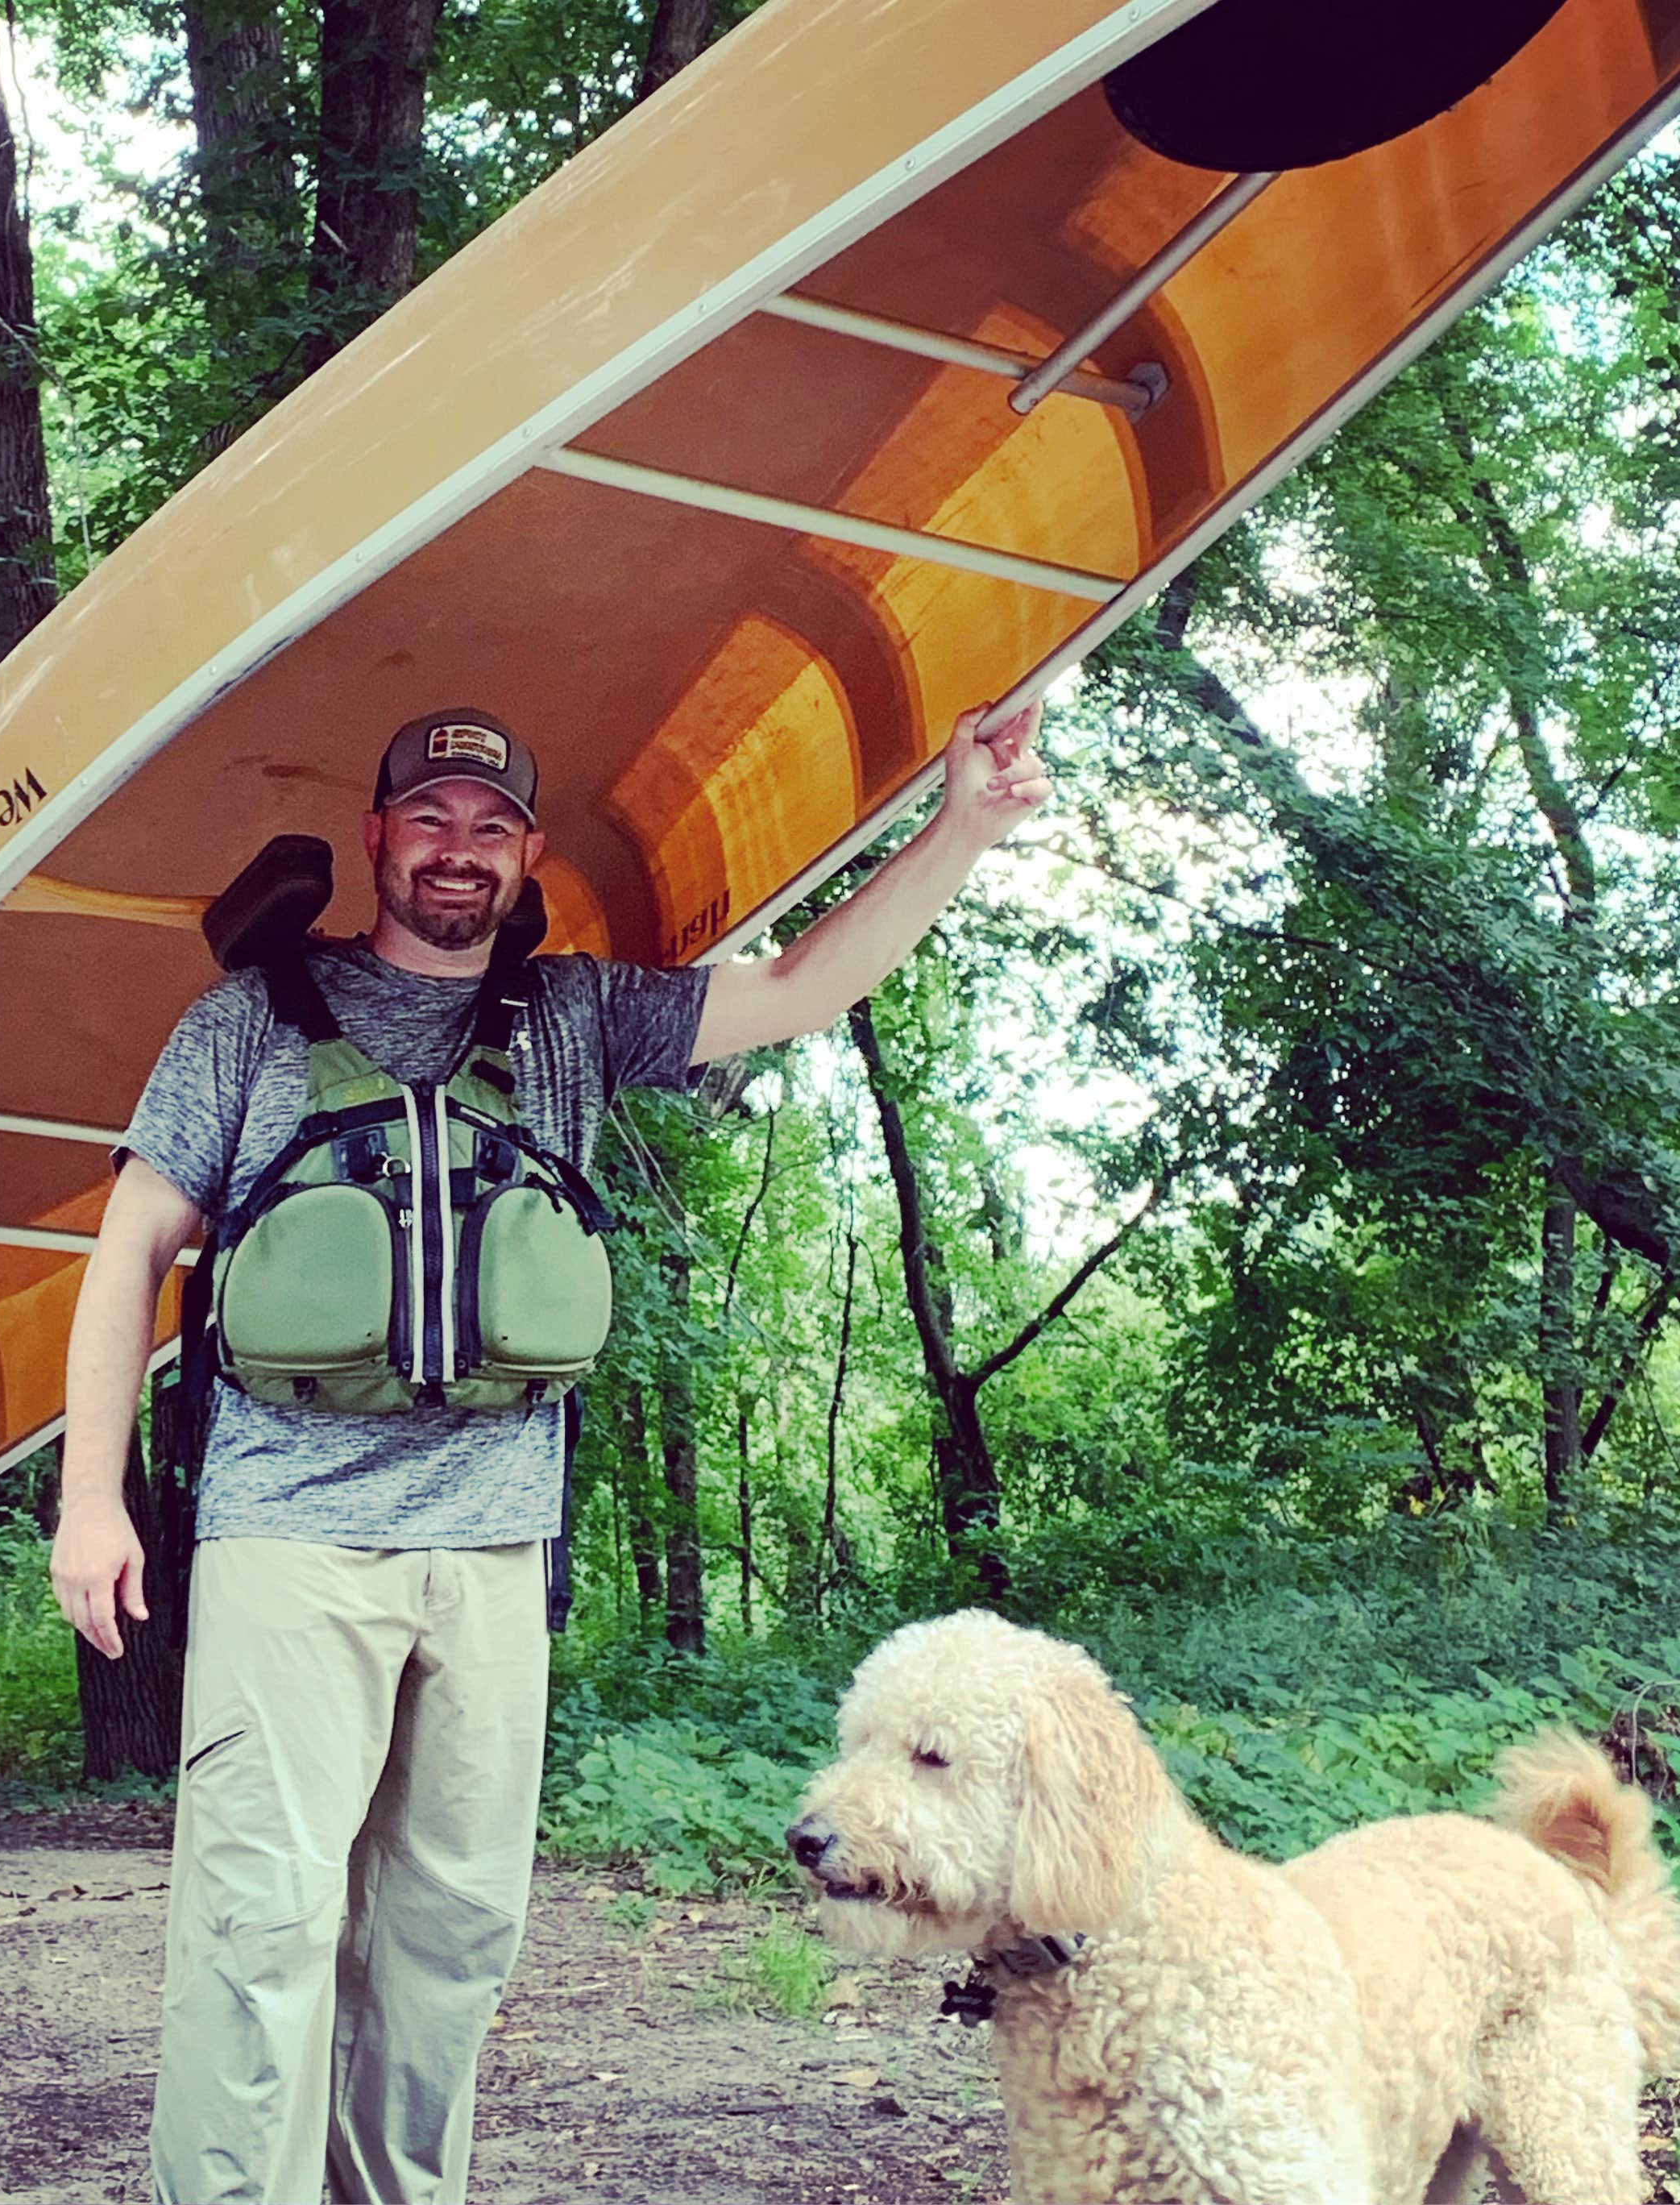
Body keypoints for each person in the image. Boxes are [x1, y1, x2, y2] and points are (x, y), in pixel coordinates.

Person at [52, 698, 1050, 2205]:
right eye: (430, 819)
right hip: (288, 1538)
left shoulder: (577, 1015)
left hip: (494, 1548)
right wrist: (93, 1501)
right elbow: (130, 1249)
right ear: (377, 836)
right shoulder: (247, 1022)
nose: (459, 849)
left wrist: (963, 826)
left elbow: (801, 986)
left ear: (527, 856)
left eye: (492, 826)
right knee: (261, 1924)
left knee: (452, 1931)